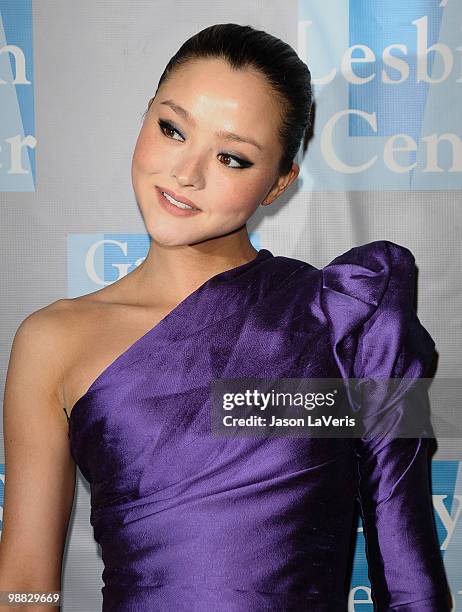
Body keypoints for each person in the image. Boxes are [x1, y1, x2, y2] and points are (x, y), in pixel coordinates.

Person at [0, 22, 451, 612]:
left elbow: (412, 577)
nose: (187, 173)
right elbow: (25, 584)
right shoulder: (51, 340)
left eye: (233, 157)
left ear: (279, 182)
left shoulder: (350, 321)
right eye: (171, 128)